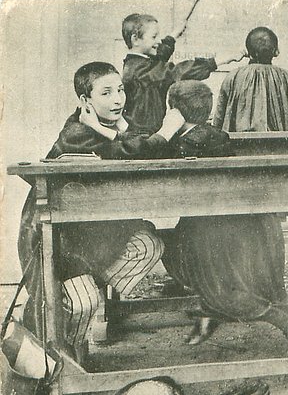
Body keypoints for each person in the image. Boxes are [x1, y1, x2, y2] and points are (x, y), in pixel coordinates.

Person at [17, 62, 185, 358]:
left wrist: (113, 130)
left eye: (120, 90)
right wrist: (166, 130)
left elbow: (137, 142)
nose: (118, 99)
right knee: (82, 304)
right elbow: (136, 151)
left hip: (88, 234)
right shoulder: (76, 133)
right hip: (56, 240)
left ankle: (85, 298)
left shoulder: (103, 126)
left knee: (148, 246)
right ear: (86, 101)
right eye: (106, 93)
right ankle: (63, 355)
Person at [161, 81, 288, 357]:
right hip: (243, 223)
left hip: (213, 231)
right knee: (206, 273)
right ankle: (209, 310)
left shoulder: (179, 143)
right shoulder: (217, 136)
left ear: (173, 110)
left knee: (209, 278)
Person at [121, 12, 244, 134]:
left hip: (145, 133)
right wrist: (221, 60)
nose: (158, 41)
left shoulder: (137, 64)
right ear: (135, 39)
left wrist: (174, 35)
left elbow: (160, 56)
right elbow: (177, 71)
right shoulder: (140, 70)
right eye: (154, 37)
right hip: (143, 136)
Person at [213, 27, 288, 132]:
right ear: (275, 51)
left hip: (239, 141)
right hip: (280, 141)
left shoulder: (233, 76)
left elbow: (219, 119)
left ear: (248, 51)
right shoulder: (286, 78)